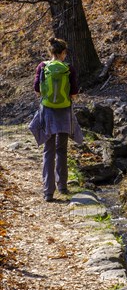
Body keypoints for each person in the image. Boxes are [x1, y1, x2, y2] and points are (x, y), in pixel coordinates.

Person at [29, 37, 83, 202]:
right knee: (62, 149)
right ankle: (63, 186)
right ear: (63, 53)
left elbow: (37, 89)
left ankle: (48, 192)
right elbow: (74, 93)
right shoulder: (68, 68)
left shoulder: (42, 66)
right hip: (64, 112)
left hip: (48, 112)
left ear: (51, 52)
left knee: (48, 150)